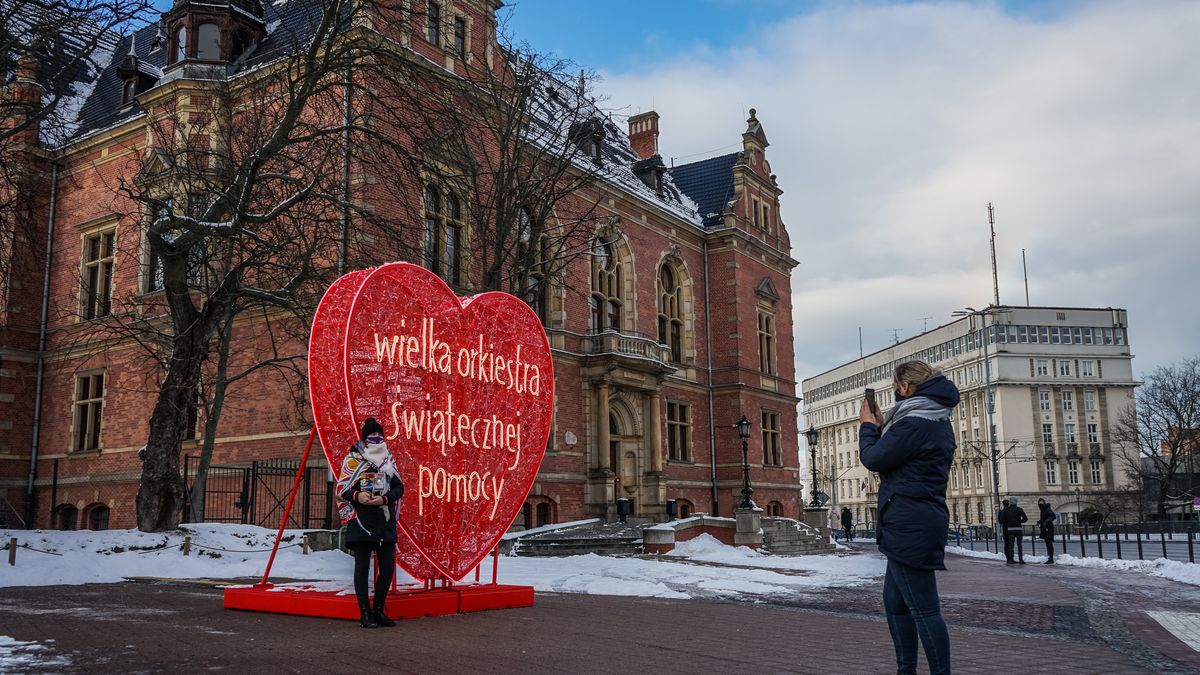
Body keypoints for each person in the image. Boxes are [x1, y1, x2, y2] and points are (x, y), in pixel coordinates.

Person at [860, 360, 959, 675]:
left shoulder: (916, 421)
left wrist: (868, 426)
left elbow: (873, 458)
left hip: (910, 521)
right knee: (896, 602)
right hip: (914, 518)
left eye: (895, 387)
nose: (894, 393)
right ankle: (906, 670)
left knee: (924, 609)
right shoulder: (932, 416)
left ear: (905, 387)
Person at [337, 418, 404, 628]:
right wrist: (358, 496)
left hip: (384, 521)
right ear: (364, 439)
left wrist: (384, 499)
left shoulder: (388, 461)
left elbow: (399, 488)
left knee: (387, 568)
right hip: (362, 521)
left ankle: (379, 609)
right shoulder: (352, 460)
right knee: (362, 568)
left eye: (379, 436)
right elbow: (342, 489)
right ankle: (364, 612)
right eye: (372, 437)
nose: (376, 440)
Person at [999, 497, 1028, 565]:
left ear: (1010, 502)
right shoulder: (1019, 509)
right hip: (1018, 529)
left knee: (1011, 545)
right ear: (1016, 502)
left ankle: (1011, 559)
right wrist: (1019, 521)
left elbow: (1002, 520)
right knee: (1019, 545)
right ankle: (1021, 560)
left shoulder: (1006, 510)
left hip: (1010, 529)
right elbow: (1025, 519)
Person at [1037, 498, 1057, 564]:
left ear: (1044, 503)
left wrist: (1046, 522)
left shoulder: (1047, 509)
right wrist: (1040, 522)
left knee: (1049, 543)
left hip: (1048, 528)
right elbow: (1044, 518)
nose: (1040, 504)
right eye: (1039, 503)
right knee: (1048, 543)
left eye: (1041, 503)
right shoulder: (1043, 510)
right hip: (1045, 528)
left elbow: (1053, 516)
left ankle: (1051, 558)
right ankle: (1050, 557)